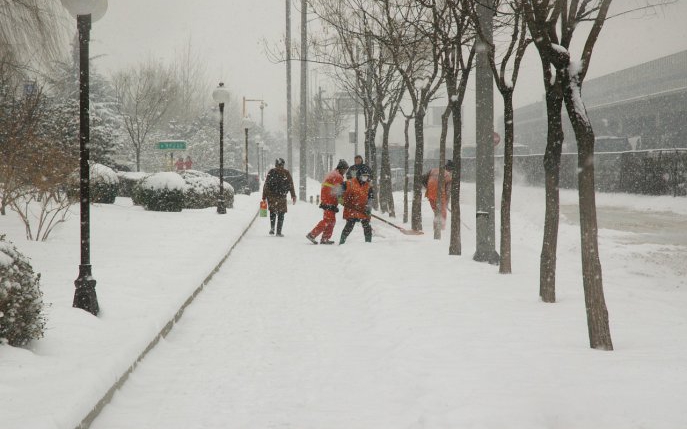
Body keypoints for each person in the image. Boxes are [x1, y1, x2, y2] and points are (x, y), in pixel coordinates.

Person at [306, 159, 349, 245]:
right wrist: (342, 201)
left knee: (331, 221)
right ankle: (312, 234)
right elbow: (338, 192)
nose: (345, 172)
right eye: (345, 169)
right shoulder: (338, 177)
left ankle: (325, 238)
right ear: (341, 168)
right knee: (327, 220)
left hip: (326, 200)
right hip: (330, 201)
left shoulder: (332, 173)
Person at [339, 164, 374, 244]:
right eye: (364, 175)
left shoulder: (368, 186)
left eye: (367, 176)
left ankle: (368, 243)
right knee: (349, 226)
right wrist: (340, 199)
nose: (365, 177)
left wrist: (368, 209)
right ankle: (342, 242)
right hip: (351, 208)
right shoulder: (350, 183)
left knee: (367, 227)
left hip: (362, 209)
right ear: (359, 175)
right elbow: (338, 190)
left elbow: (370, 198)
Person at [262, 158, 296, 237]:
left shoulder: (271, 172)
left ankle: (272, 228)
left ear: (276, 164)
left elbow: (266, 185)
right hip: (281, 196)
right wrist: (293, 195)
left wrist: (264, 196)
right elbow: (291, 185)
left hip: (271, 196)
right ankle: (278, 232)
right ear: (283, 164)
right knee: (281, 214)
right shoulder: (286, 173)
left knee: (272, 212)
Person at [422, 160, 453, 229]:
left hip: (430, 194)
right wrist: (446, 203)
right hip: (441, 195)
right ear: (450, 169)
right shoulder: (448, 176)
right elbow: (448, 191)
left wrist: (429, 187)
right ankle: (440, 230)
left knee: (436, 211)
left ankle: (436, 228)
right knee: (442, 214)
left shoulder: (433, 170)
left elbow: (423, 179)